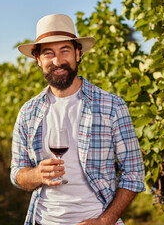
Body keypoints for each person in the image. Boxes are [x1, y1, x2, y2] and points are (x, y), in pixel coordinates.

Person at [10, 14, 145, 225]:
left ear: (78, 54)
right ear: (38, 60)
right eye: (48, 53)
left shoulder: (112, 106)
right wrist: (36, 175)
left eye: (65, 50)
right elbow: (17, 173)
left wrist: (104, 221)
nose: (57, 61)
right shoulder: (28, 112)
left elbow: (134, 173)